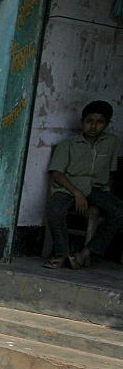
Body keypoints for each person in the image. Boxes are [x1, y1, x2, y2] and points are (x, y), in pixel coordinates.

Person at [45, 100, 123, 269]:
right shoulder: (69, 144)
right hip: (68, 188)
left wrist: (99, 195)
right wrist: (77, 193)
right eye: (89, 121)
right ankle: (62, 253)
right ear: (82, 122)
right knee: (54, 208)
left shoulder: (112, 143)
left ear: (107, 124)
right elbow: (56, 173)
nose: (93, 126)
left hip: (96, 189)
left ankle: (85, 253)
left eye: (99, 122)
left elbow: (111, 172)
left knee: (120, 211)